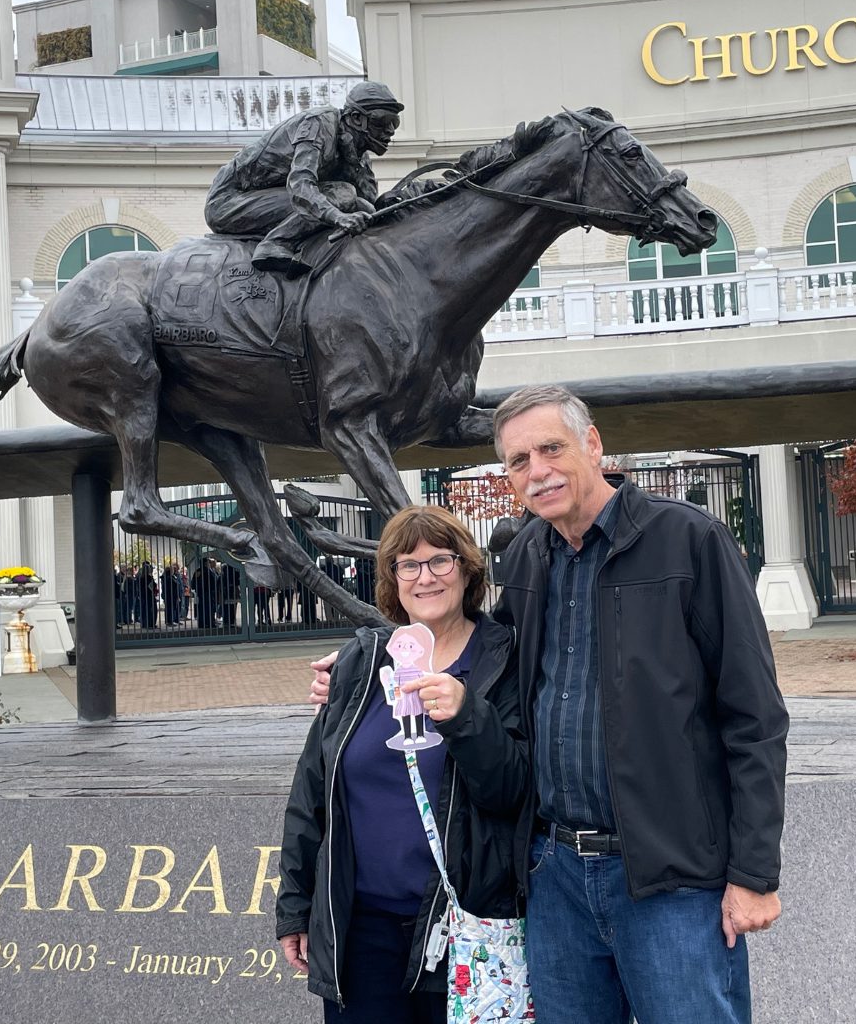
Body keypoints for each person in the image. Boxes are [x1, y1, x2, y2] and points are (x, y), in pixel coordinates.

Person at [310, 385, 789, 1024]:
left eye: (551, 449)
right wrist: (365, 664)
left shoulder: (689, 542)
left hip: (670, 876)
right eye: (517, 460)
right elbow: (471, 646)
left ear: (593, 445)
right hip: (555, 874)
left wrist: (753, 873)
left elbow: (754, 717)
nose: (537, 471)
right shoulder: (530, 555)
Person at [276, 505, 528, 1023]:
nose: (425, 577)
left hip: (464, 926)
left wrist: (465, 714)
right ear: (393, 578)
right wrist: (295, 909)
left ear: (468, 569)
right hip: (362, 929)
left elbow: (512, 789)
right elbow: (312, 796)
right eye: (407, 565)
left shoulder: (504, 662)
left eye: (441, 560)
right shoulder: (361, 663)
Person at [204, 80, 404, 277]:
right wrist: (338, 217)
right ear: (355, 118)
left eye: (395, 123)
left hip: (270, 199)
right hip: (230, 202)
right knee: (344, 193)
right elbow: (300, 185)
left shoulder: (359, 153)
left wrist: (385, 204)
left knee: (361, 206)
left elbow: (366, 206)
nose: (390, 131)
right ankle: (275, 243)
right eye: (382, 121)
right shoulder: (318, 123)